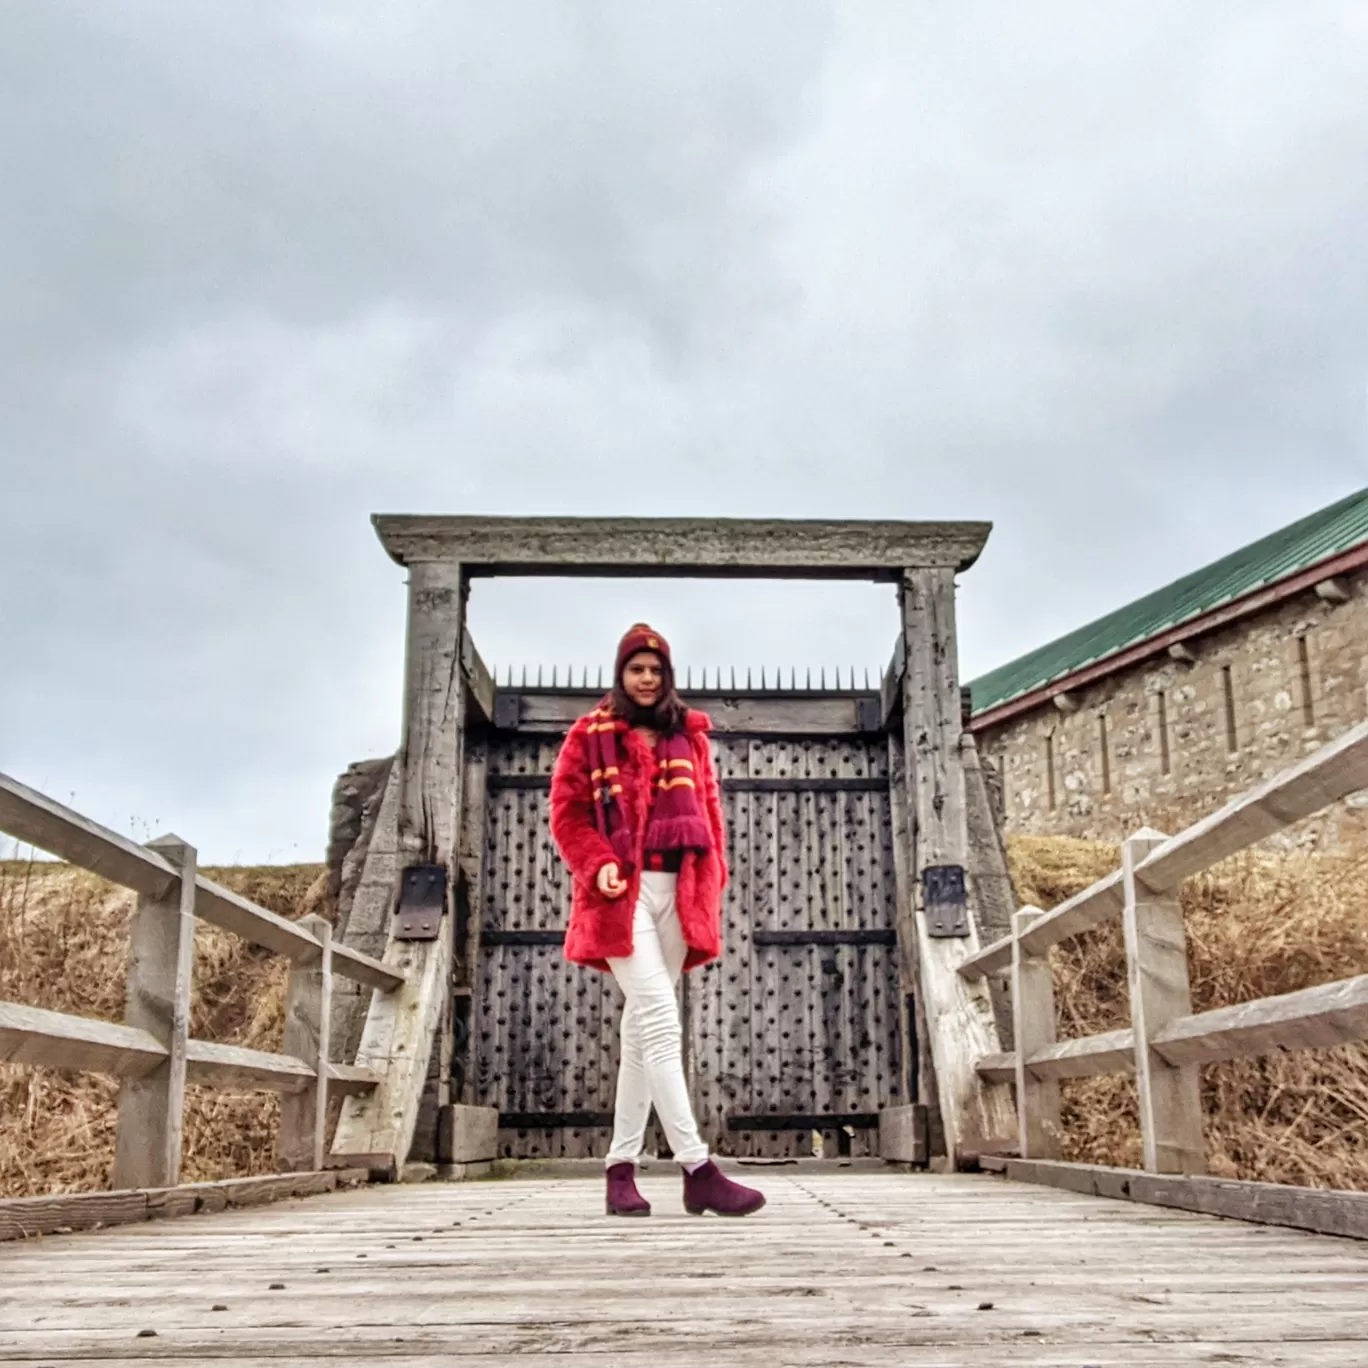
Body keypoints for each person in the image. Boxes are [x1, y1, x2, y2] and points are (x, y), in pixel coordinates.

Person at [549, 623, 766, 1218]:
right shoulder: (589, 736)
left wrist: (714, 873)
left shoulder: (688, 738)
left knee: (641, 1035)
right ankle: (697, 1168)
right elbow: (567, 815)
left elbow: (710, 810)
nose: (645, 678)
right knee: (662, 1022)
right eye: (635, 668)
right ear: (620, 673)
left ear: (666, 676)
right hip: (624, 895)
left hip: (682, 889)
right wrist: (596, 866)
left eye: (655, 669)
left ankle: (620, 1170)